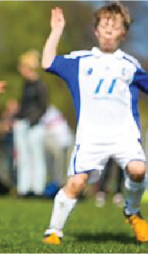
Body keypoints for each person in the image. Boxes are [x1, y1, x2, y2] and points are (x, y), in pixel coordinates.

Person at [42, 2, 148, 245]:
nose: (109, 30)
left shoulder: (130, 65)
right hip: (91, 137)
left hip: (124, 134)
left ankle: (131, 211)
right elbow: (47, 63)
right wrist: (56, 31)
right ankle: (54, 231)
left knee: (138, 169)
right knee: (77, 183)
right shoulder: (81, 61)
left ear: (124, 33)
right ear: (96, 30)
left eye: (115, 26)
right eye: (105, 25)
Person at [14, 50, 48, 198]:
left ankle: (38, 189)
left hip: (35, 126)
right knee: (23, 158)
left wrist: (33, 120)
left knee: (37, 157)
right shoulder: (25, 85)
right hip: (22, 124)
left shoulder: (40, 85)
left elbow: (43, 106)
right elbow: (23, 106)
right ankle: (24, 189)